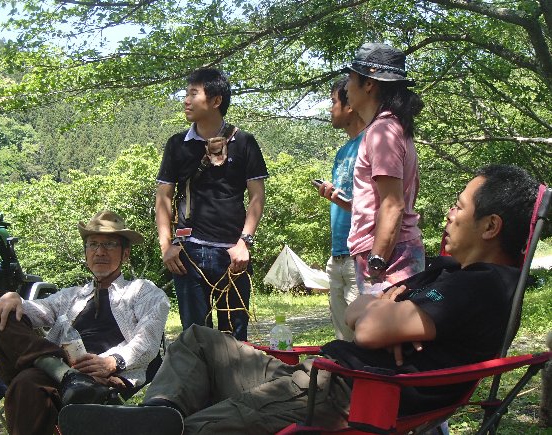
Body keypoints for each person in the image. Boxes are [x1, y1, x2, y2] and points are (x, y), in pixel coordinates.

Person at [87, 164, 539, 434]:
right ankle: (157, 414)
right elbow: (368, 310)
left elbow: (369, 325)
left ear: (491, 226)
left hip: (346, 393)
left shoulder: (483, 285)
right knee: (199, 339)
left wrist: (381, 311)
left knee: (202, 428)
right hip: (321, 375)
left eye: (459, 206)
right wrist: (383, 308)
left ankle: (158, 426)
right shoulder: (450, 272)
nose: (448, 214)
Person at [0, 210, 170, 435]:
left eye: (109, 244)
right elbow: (35, 311)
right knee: (3, 314)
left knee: (25, 382)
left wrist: (113, 362)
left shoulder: (143, 291)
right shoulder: (72, 296)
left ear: (125, 254)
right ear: (86, 252)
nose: (99, 251)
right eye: (93, 244)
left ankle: (61, 372)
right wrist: (13, 299)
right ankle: (64, 373)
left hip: (105, 376)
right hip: (65, 372)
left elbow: (148, 339)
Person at [155, 67, 268, 341]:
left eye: (193, 93)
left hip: (233, 254)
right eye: (186, 94)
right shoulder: (177, 144)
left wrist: (244, 243)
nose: (186, 100)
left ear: (216, 100)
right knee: (196, 340)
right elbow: (163, 197)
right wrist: (166, 246)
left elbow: (257, 196)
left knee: (235, 341)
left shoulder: (244, 142)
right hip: (188, 253)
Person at [338, 42, 425, 295]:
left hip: (388, 256)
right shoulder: (391, 127)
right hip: (392, 251)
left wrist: (376, 264)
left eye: (351, 78)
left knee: (379, 320)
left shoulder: (382, 131)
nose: (346, 87)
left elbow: (393, 204)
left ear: (369, 83)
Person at [316, 77, 365, 341]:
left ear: (350, 105)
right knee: (343, 340)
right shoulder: (343, 151)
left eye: (334, 102)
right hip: (337, 255)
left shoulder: (372, 143)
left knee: (363, 338)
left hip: (360, 255)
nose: (330, 108)